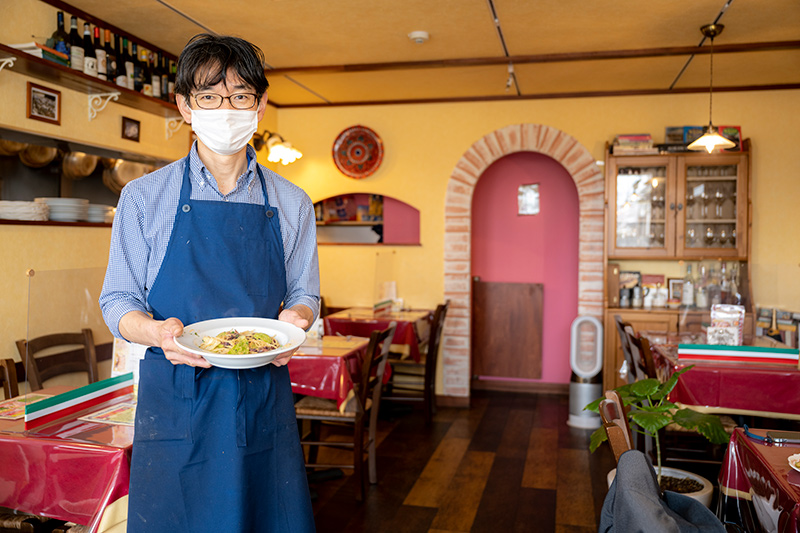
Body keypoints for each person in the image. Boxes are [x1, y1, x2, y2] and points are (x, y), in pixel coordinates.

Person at [99, 34, 318, 532]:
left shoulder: (291, 201)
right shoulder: (143, 198)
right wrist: (156, 334)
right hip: (177, 400)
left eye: (241, 96)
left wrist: (296, 321)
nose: (227, 108)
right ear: (184, 106)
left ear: (260, 105)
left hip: (262, 396)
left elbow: (305, 293)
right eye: (210, 97)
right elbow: (118, 300)